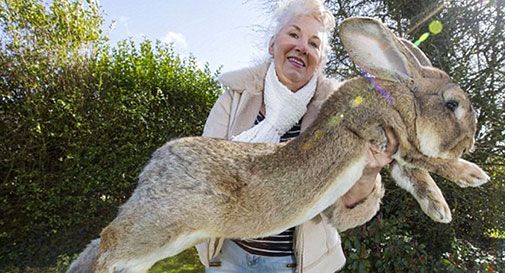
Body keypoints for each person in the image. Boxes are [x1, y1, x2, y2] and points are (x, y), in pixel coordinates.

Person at [196, 0, 397, 272]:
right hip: (229, 257)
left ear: (320, 61)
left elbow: (344, 212)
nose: (302, 46)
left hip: (294, 265)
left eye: (314, 44)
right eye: (293, 34)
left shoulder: (339, 115)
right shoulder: (233, 100)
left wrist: (367, 173)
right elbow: (203, 175)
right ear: (272, 45)